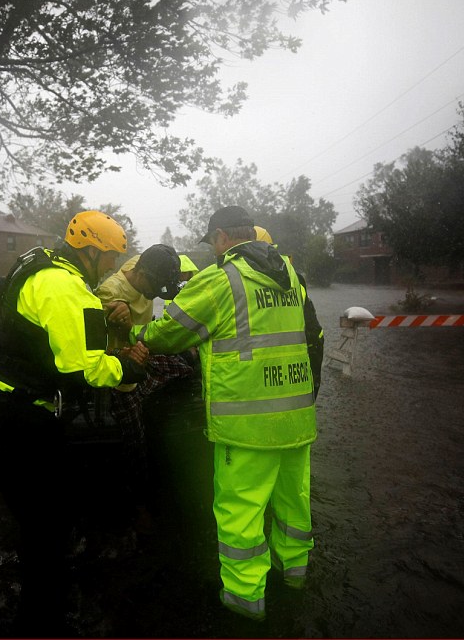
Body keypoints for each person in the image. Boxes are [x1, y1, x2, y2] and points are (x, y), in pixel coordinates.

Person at [129, 205, 324, 622]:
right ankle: (294, 575)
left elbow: (169, 332)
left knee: (241, 512)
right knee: (293, 504)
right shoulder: (289, 272)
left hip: (246, 425)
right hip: (296, 416)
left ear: (220, 237)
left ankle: (244, 599)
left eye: (212, 241)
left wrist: (134, 335)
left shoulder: (221, 278)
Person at [0, 210, 150, 634]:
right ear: (90, 249)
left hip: (1, 407)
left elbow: (49, 335)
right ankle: (41, 620)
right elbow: (84, 369)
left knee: (40, 515)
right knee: (46, 525)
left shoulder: (39, 263)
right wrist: (129, 370)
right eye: (109, 257)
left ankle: (35, 595)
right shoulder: (69, 289)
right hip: (22, 419)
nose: (111, 267)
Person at [95, 244, 189, 534]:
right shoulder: (111, 293)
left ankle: (152, 401)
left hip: (143, 354)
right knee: (136, 442)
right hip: (119, 371)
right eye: (156, 286)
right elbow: (95, 349)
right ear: (143, 273)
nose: (156, 293)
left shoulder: (142, 265)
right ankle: (138, 508)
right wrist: (125, 347)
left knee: (189, 360)